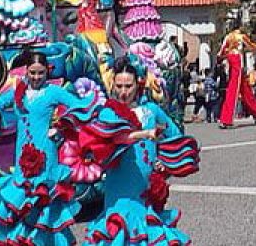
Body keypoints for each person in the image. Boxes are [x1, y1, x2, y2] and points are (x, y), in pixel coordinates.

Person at [0, 51, 136, 246]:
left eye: (41, 73)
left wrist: (62, 127)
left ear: (47, 72)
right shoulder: (19, 92)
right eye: (32, 72)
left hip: (46, 155)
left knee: (45, 201)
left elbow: (80, 107)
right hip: (22, 156)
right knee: (21, 200)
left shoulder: (53, 92)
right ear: (26, 71)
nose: (36, 77)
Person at [83, 56, 199, 245]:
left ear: (138, 85)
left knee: (146, 230)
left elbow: (175, 135)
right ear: (113, 85)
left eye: (128, 86)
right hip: (118, 185)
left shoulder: (151, 111)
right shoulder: (107, 113)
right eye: (119, 86)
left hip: (144, 186)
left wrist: (165, 161)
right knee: (119, 228)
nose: (123, 92)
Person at [217, 23, 256, 128]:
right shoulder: (241, 36)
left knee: (243, 89)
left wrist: (223, 58)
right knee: (234, 91)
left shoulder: (227, 37)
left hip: (231, 61)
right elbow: (252, 46)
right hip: (237, 62)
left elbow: (220, 53)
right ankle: (227, 119)